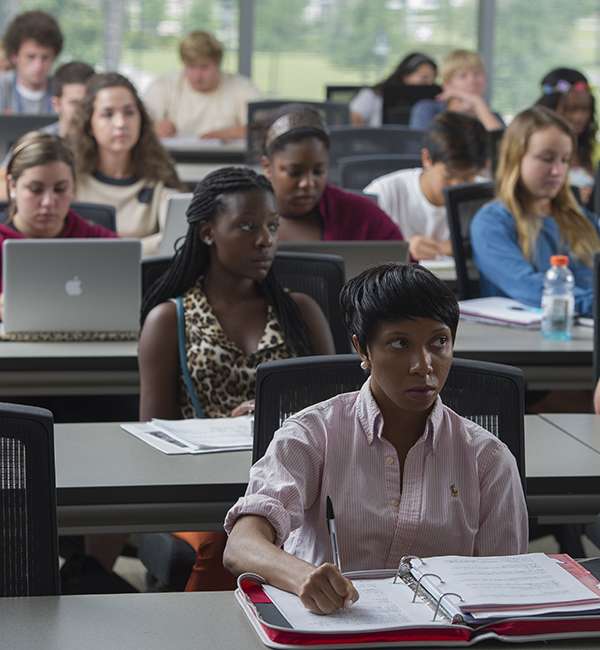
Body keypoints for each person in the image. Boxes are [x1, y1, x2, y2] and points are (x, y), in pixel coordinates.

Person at [223, 262, 528, 615]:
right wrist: (301, 576)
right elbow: (241, 545)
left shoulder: (488, 459)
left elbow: (507, 587)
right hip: (331, 627)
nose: (423, 365)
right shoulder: (312, 434)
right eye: (399, 343)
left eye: (439, 342)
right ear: (363, 349)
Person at [121, 167, 334, 592]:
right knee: (223, 545)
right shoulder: (170, 319)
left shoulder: (302, 311)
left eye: (272, 226)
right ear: (207, 232)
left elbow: (339, 412)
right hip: (202, 492)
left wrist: (277, 415)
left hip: (291, 487)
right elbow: (154, 438)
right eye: (247, 226)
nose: (265, 239)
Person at [470, 105, 600, 318]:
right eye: (546, 159)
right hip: (533, 342)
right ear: (515, 158)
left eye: (565, 160)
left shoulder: (582, 218)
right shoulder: (491, 223)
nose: (558, 171)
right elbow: (531, 287)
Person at [67, 72, 186, 255]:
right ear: (89, 125)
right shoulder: (70, 179)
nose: (121, 123)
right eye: (108, 114)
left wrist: (113, 251)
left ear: (142, 120)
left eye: (129, 112)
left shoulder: (160, 177)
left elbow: (178, 236)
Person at [0, 131, 117, 301]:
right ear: (12, 186)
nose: (48, 202)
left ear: (73, 187)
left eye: (60, 189)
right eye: (35, 189)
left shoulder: (99, 242)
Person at [260, 109, 405, 242]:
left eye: (318, 171)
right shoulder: (243, 213)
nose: (308, 183)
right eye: (294, 172)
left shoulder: (360, 214)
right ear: (267, 167)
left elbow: (405, 263)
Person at [364, 112, 488, 260]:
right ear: (427, 159)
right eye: (448, 176)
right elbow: (361, 255)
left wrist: (457, 248)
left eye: (468, 177)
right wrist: (400, 248)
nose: (457, 185)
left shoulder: (486, 197)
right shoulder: (385, 193)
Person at [0, 61, 96, 199]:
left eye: (87, 103)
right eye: (74, 103)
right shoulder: (40, 140)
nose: (83, 110)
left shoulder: (106, 141)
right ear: (56, 104)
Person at [143, 31, 261, 140]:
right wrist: (153, 129)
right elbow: (136, 123)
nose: (197, 76)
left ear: (218, 63)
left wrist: (231, 133)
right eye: (191, 66)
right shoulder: (164, 86)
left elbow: (263, 128)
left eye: (204, 67)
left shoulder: (242, 87)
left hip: (227, 161)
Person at [535, 68, 599, 207]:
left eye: (585, 109)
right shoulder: (534, 149)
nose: (579, 117)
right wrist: (573, 195)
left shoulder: (594, 148)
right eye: (571, 109)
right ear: (550, 109)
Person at [409, 49, 503, 132]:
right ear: (447, 85)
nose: (472, 80)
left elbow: (503, 148)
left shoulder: (494, 117)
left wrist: (477, 103)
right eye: (463, 76)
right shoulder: (428, 110)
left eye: (477, 73)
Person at [0, 10, 63, 115]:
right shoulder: (3, 88)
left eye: (45, 57)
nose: (38, 66)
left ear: (54, 57)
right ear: (14, 56)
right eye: (30, 57)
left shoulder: (62, 92)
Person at [349, 52, 437, 127]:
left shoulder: (432, 103)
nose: (430, 84)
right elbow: (352, 120)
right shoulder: (373, 94)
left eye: (433, 80)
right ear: (405, 77)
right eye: (424, 78)